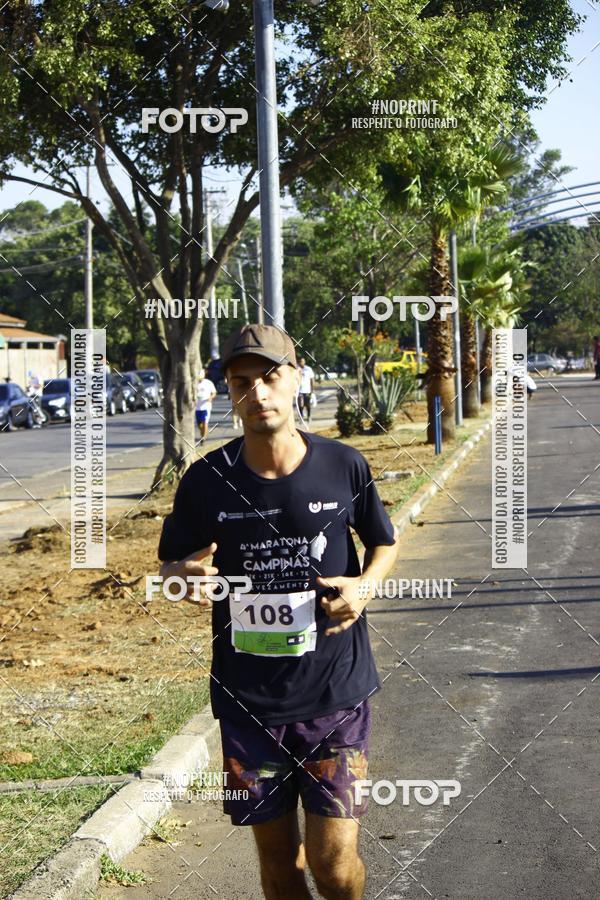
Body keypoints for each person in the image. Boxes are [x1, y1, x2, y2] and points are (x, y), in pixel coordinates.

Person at [159, 324, 399, 900]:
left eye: (270, 377)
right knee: (278, 864)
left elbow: (383, 543)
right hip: (248, 703)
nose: (258, 393)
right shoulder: (206, 481)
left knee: (333, 863)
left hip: (335, 695)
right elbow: (170, 566)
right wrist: (179, 579)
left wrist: (365, 587)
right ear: (227, 391)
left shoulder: (342, 465)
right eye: (242, 382)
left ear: (296, 380)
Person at [195, 367, 216, 445]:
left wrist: (210, 398)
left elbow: (214, 393)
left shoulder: (208, 383)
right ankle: (203, 434)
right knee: (200, 425)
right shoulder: (194, 383)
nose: (199, 379)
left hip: (206, 407)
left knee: (205, 422)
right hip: (197, 408)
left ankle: (203, 438)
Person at [297, 355, 315, 425]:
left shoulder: (308, 369)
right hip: (299, 390)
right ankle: (301, 417)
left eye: (302, 361)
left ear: (304, 362)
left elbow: (312, 380)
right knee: (300, 404)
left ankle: (309, 416)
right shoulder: (296, 369)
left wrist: (312, 390)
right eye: (300, 361)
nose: (301, 362)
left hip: (307, 390)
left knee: (307, 405)